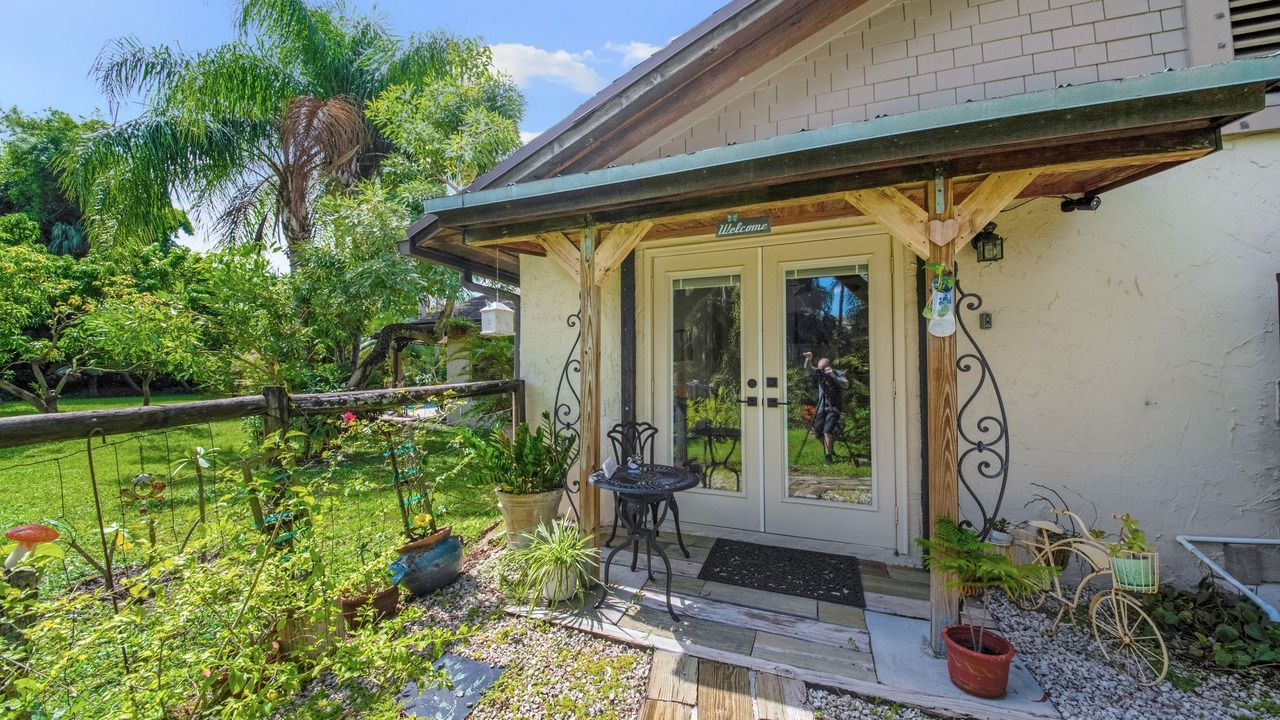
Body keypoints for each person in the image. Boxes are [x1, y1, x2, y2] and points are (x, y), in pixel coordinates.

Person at [802, 351, 848, 465]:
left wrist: (833, 376)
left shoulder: (838, 373)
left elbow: (846, 384)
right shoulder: (819, 373)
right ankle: (831, 450)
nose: (822, 372)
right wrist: (809, 359)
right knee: (818, 432)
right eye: (820, 369)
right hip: (822, 407)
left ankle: (828, 458)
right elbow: (808, 368)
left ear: (829, 367)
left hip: (834, 408)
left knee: (827, 430)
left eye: (823, 369)